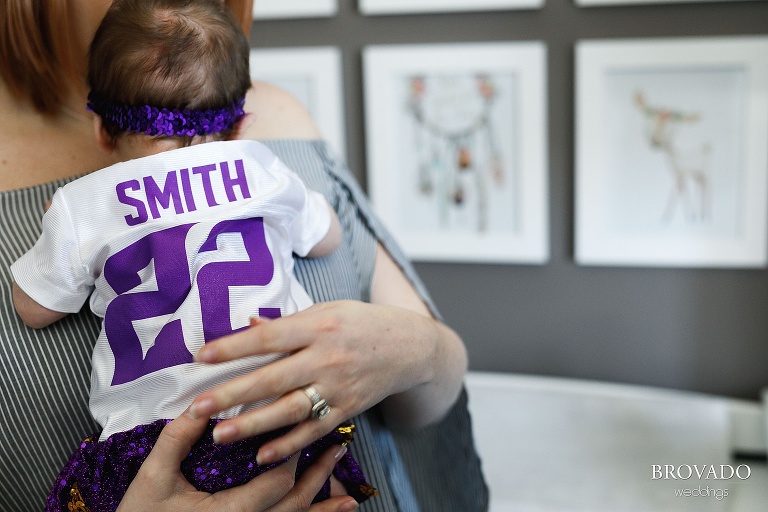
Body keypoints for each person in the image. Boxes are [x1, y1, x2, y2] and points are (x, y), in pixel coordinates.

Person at [0, 0, 488, 511]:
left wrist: (412, 348)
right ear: (239, 126)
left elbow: (34, 308)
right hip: (287, 431)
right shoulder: (264, 166)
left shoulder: (84, 204)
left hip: (146, 447)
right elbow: (327, 238)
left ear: (102, 128)